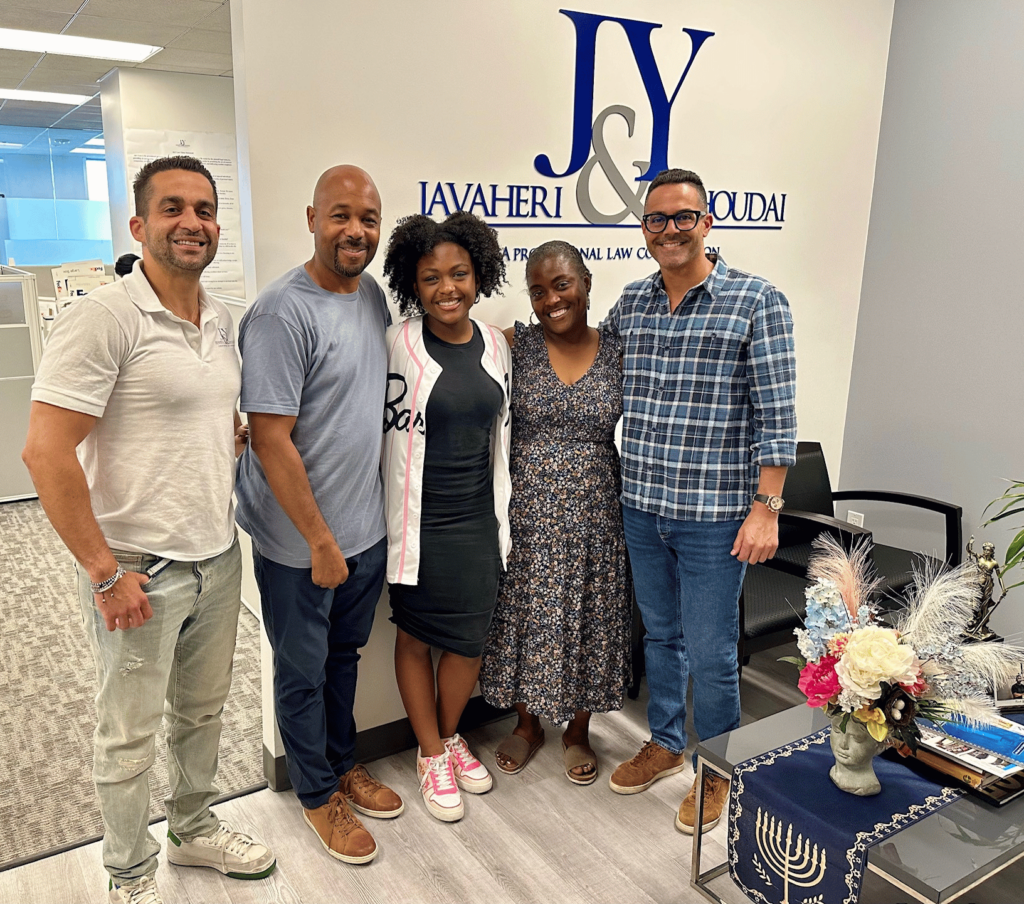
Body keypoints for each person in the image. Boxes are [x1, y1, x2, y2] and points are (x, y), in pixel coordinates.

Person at [22, 155, 276, 904]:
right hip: (138, 567)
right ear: (139, 225)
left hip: (217, 555)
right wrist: (104, 571)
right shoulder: (105, 316)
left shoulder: (223, 317)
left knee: (202, 712)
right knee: (127, 735)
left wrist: (219, 438)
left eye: (203, 209)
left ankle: (193, 830)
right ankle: (128, 873)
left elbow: (194, 412)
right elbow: (44, 450)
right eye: (172, 208)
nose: (191, 222)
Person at [603, 168, 797, 835]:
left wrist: (766, 507)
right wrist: (515, 340)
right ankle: (664, 741)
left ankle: (716, 771)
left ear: (706, 222)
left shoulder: (756, 301)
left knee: (713, 652)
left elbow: (778, 415)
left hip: (716, 518)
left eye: (682, 217)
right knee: (661, 636)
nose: (669, 230)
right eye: (656, 220)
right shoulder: (632, 304)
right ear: (645, 230)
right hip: (643, 505)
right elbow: (589, 363)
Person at [234, 165, 402, 866]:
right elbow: (270, 439)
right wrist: (319, 541)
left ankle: (340, 764)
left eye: (368, 218)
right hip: (302, 543)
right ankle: (313, 793)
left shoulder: (370, 299)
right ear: (311, 218)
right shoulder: (281, 312)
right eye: (341, 216)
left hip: (363, 532)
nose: (356, 231)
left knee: (343, 660)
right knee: (302, 670)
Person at [480, 240, 632, 785]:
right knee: (525, 618)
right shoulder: (513, 345)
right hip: (528, 510)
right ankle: (527, 723)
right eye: (538, 290)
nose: (551, 299)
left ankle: (577, 729)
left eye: (561, 284)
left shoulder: (619, 349)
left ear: (587, 282)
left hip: (597, 511)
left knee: (591, 615)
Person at [381, 211, 511, 822]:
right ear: (414, 284)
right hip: (417, 524)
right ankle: (431, 752)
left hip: (478, 520)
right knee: (414, 637)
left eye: (458, 274)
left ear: (478, 274)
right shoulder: (396, 344)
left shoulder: (495, 343)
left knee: (467, 641)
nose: (447, 288)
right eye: (431, 278)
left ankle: (452, 733)